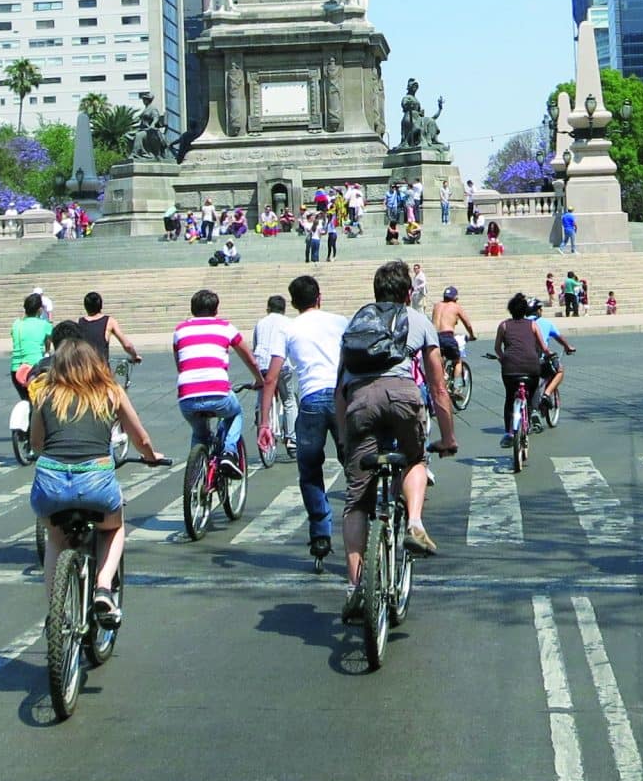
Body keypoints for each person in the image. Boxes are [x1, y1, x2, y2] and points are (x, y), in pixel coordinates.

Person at [334, 260, 457, 618]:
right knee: (415, 458)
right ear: (408, 293)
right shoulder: (416, 320)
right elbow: (438, 386)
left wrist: (344, 440)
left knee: (356, 501)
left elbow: (338, 391)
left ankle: (355, 586)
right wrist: (448, 436)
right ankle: (415, 523)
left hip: (360, 404)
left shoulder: (356, 323)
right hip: (403, 398)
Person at [28, 332, 165, 626]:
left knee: (55, 536)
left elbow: (36, 444)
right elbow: (139, 437)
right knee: (114, 528)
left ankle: (55, 610)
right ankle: (103, 586)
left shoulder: (46, 394)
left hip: (50, 482)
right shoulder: (111, 391)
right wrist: (152, 455)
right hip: (95, 483)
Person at [259, 273, 348, 559]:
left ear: (294, 304)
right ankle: (364, 520)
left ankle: (320, 534)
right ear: (319, 297)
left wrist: (264, 422)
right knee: (354, 465)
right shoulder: (340, 321)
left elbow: (271, 378)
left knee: (310, 471)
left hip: (310, 401)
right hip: (341, 398)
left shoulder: (288, 329)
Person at [171, 288, 260, 470]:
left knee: (199, 433)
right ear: (216, 310)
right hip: (218, 392)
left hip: (187, 396)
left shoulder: (179, 330)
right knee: (235, 413)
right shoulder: (225, 327)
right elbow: (249, 359)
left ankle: (196, 474)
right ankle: (229, 452)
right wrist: (259, 379)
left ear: (192, 309)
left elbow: (180, 365)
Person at [494, 293, 560, 439]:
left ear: (510, 310)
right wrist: (551, 355)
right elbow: (544, 348)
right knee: (530, 395)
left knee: (510, 398)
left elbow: (497, 348)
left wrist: (503, 359)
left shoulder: (503, 325)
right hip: (532, 367)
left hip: (510, 369)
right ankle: (530, 416)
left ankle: (508, 433)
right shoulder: (533, 325)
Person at [76, 290, 143, 376]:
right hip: (102, 372)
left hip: (84, 371)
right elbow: (127, 345)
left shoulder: (79, 322)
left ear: (85, 306)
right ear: (101, 305)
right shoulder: (109, 321)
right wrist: (135, 356)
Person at [9, 291, 54, 395]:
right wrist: (47, 351)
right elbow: (51, 338)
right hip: (35, 370)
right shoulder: (44, 325)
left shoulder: (16, 324)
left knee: (26, 400)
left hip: (16, 370)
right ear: (40, 310)